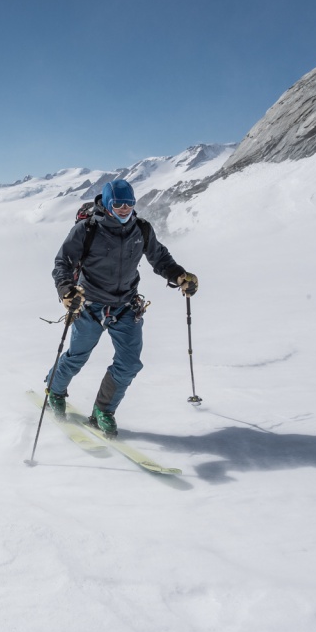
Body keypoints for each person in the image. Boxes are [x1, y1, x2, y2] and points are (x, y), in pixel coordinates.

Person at [46, 178, 198, 438]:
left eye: (130, 203)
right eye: (119, 203)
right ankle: (55, 392)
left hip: (126, 306)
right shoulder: (86, 230)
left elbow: (159, 258)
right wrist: (66, 291)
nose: (125, 208)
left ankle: (103, 411)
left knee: (129, 363)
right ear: (107, 203)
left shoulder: (142, 229)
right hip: (90, 305)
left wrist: (179, 276)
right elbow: (63, 262)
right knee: (76, 357)